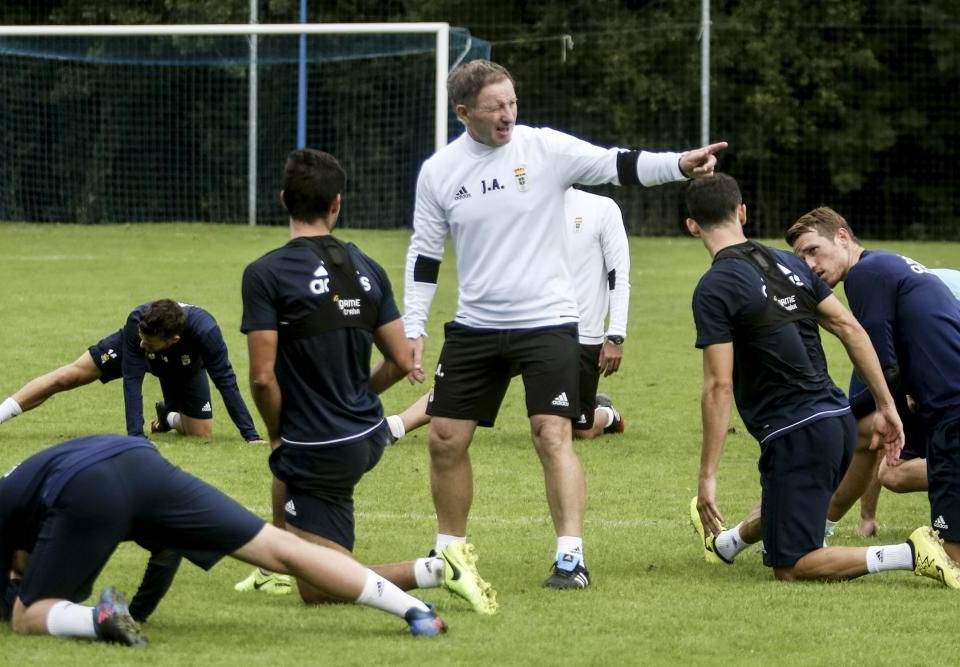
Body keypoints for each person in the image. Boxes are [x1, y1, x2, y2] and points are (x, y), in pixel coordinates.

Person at [404, 59, 726, 590]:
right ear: (463, 113)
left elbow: (616, 163)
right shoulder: (439, 171)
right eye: (494, 107)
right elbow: (424, 254)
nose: (508, 115)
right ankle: (450, 555)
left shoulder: (543, 148)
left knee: (552, 434)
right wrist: (414, 324)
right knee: (443, 438)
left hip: (548, 322)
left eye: (512, 102)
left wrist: (679, 165)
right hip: (475, 326)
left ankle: (570, 558)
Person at [235, 149, 497, 614]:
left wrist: (276, 432)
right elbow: (399, 360)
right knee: (288, 477)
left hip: (318, 447)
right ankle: (274, 566)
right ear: (336, 203)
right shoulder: (368, 268)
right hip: (364, 433)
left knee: (319, 587)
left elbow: (261, 378)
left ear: (282, 200)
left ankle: (437, 569)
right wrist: (355, 394)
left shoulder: (265, 273)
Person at [686, 174, 959, 587]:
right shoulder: (793, 263)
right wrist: (884, 408)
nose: (810, 260)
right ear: (742, 213)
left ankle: (906, 553)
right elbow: (851, 330)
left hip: (806, 429)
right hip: (843, 419)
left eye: (815, 249)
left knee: (793, 565)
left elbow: (718, 386)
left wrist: (707, 475)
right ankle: (728, 544)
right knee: (819, 489)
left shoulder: (716, 286)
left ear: (691, 225)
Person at [0, 434, 448, 647]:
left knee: (26, 616)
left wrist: (21, 587)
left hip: (85, 482)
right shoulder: (27, 495)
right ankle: (414, 610)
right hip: (143, 461)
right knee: (286, 551)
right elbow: (167, 550)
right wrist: (140, 611)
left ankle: (99, 621)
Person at [786, 208, 960, 566]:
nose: (809, 264)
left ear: (843, 237)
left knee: (950, 557)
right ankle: (819, 525)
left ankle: (808, 529)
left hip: (951, 409)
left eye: (813, 250)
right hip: (941, 405)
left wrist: (864, 409)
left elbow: (883, 362)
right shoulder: (884, 266)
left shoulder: (866, 275)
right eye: (800, 257)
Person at [388, 187, 630, 443]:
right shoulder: (520, 206)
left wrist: (615, 336)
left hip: (579, 336)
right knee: (461, 382)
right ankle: (394, 426)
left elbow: (618, 275)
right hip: (522, 324)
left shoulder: (602, 209)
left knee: (579, 429)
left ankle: (605, 413)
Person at [0, 299, 262, 443]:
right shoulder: (138, 328)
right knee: (68, 376)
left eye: (148, 339)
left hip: (184, 365)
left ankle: (167, 416)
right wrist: (136, 439)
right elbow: (132, 382)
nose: (142, 341)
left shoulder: (206, 333)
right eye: (141, 335)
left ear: (173, 338)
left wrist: (251, 436)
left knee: (201, 432)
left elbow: (227, 383)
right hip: (135, 354)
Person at [824, 268, 960, 539]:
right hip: (908, 353)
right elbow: (869, 436)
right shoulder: (878, 331)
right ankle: (825, 526)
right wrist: (867, 517)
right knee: (891, 469)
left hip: (937, 368)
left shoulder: (923, 315)